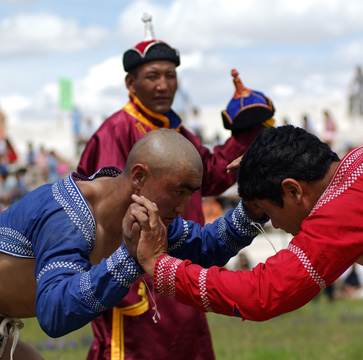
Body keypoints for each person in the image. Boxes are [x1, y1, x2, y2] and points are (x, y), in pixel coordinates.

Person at [131, 125, 363, 329]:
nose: (279, 228)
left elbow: (262, 293)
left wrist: (159, 267)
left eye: (268, 213)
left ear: (293, 189)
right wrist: (267, 159)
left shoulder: (343, 207)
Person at [78, 14, 273, 360]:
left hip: (185, 267)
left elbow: (211, 175)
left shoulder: (177, 132)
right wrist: (120, 284)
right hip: (135, 279)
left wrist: (247, 131)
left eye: (170, 76)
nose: (163, 85)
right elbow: (102, 215)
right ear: (130, 82)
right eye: (152, 76)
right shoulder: (115, 131)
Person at [0, 129, 264, 360]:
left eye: (190, 194)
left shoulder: (144, 214)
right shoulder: (67, 213)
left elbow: (206, 245)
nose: (184, 207)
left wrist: (255, 203)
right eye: (179, 192)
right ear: (139, 177)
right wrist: (130, 258)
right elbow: (54, 313)